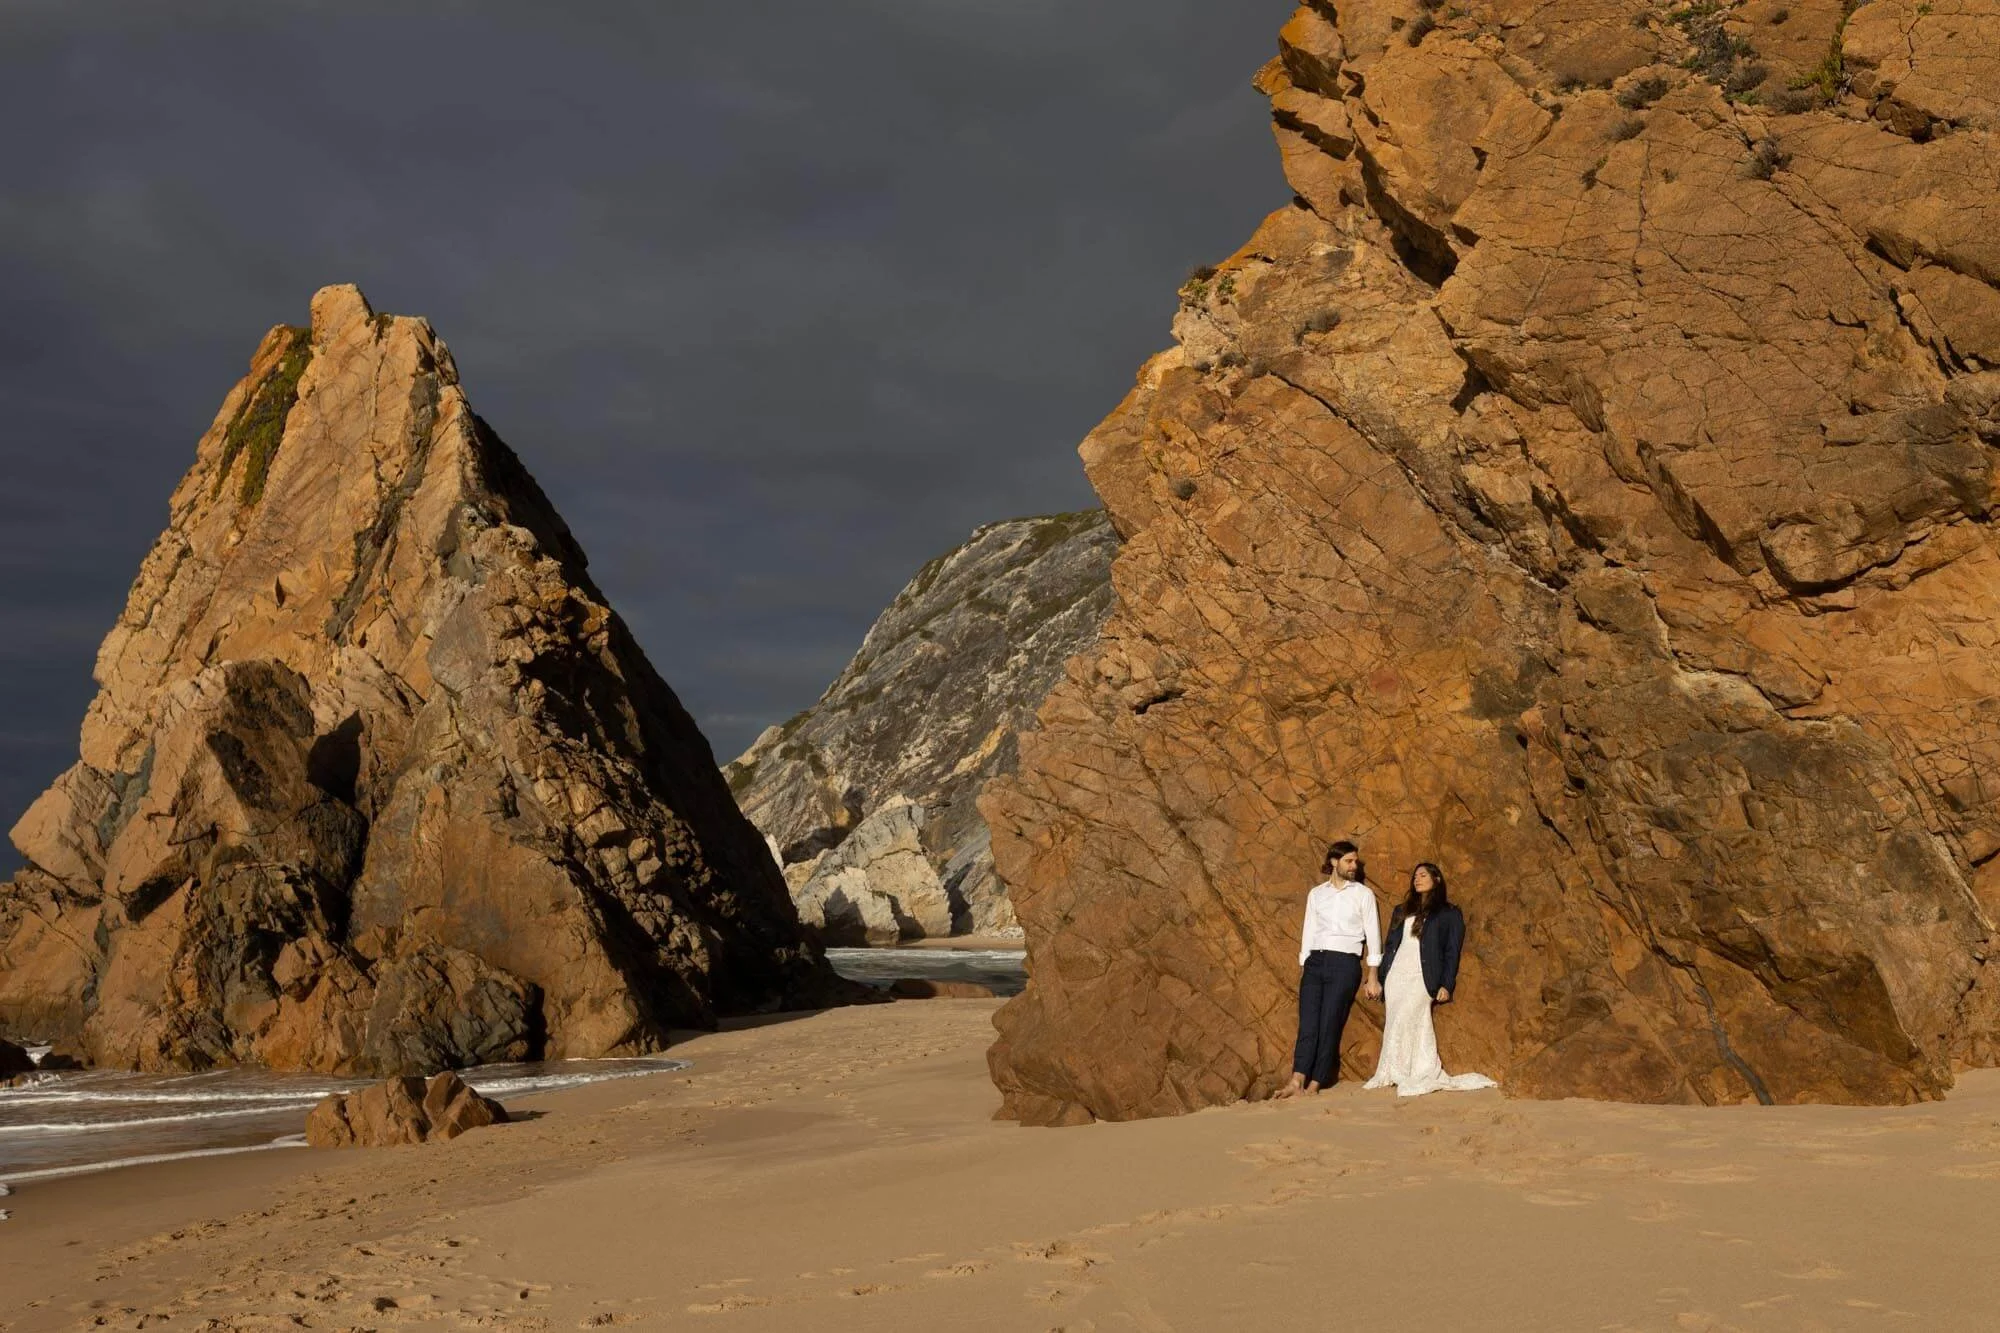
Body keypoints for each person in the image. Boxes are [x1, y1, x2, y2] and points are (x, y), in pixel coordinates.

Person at [1364, 862, 1497, 1097]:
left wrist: (1446, 984)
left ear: (1437, 879)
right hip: (1397, 974)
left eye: (1423, 875)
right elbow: (1391, 944)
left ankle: (1409, 1071)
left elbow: (1451, 951)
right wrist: (1380, 977)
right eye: (1415, 876)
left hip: (1423, 976)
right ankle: (1393, 1070)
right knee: (1395, 1019)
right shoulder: (1401, 910)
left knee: (1409, 1015)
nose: (1417, 879)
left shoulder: (1449, 913)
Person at [1279, 840, 1382, 1097]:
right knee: (1308, 1024)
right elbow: (1309, 930)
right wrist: (1305, 964)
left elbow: (1373, 934)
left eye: (1355, 861)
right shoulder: (1317, 894)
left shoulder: (1363, 895)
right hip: (1315, 962)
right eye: (1349, 861)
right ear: (1334, 862)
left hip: (1345, 963)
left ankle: (1315, 1083)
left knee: (1329, 1023)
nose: (1354, 866)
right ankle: (1296, 1079)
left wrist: (1373, 976)